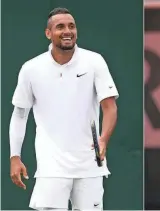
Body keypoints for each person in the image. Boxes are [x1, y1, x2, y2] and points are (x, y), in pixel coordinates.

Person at [9, 7, 119, 210]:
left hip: (89, 166)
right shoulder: (31, 68)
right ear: (48, 33)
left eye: (71, 26)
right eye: (60, 27)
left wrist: (103, 139)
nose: (67, 31)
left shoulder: (94, 61)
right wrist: (15, 156)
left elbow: (110, 107)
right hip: (51, 167)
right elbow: (20, 115)